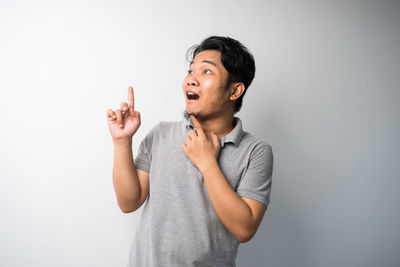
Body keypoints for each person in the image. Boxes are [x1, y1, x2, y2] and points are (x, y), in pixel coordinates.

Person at [106, 36, 273, 267]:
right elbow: (129, 202)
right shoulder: (161, 134)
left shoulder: (255, 151)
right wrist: (122, 142)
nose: (192, 79)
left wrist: (207, 163)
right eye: (191, 71)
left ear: (234, 91)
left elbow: (244, 229)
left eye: (206, 72)